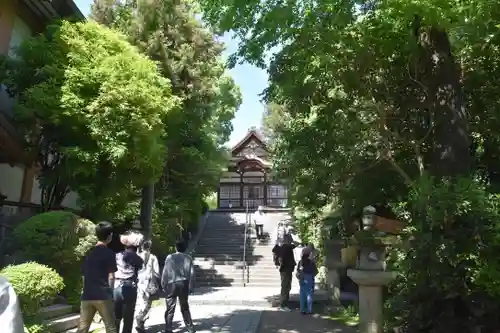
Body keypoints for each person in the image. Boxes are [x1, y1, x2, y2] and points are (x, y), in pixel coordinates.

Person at [77, 221, 117, 333]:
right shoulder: (109, 253)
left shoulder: (88, 252)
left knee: (82, 328)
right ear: (109, 236)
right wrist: (110, 293)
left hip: (87, 295)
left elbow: (84, 275)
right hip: (103, 295)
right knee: (110, 327)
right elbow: (111, 276)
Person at [162, 240, 196, 333]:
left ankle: (168, 328)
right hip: (183, 283)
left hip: (171, 283)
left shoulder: (170, 257)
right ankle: (190, 328)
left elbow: (165, 272)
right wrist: (191, 286)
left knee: (170, 307)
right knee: (184, 306)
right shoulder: (188, 258)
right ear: (185, 248)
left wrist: (163, 284)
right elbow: (192, 273)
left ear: (176, 247)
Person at [114, 231, 144, 333]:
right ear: (136, 247)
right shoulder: (138, 260)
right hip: (130, 287)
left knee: (116, 317)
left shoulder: (116, 256)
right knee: (128, 318)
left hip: (116, 287)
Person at [135, 240, 160, 333]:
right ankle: (140, 320)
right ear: (149, 247)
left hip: (138, 283)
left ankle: (139, 322)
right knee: (148, 303)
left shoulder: (137, 256)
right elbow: (157, 273)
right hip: (149, 284)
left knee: (140, 302)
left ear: (142, 247)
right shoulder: (153, 257)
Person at [272, 233, 297, 311]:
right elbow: (295, 244)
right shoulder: (287, 247)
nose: (291, 241)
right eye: (290, 239)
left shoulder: (282, 247)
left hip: (285, 270)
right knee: (286, 287)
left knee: (286, 286)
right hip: (286, 269)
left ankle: (284, 304)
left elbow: (274, 250)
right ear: (288, 240)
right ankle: (283, 305)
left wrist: (277, 243)